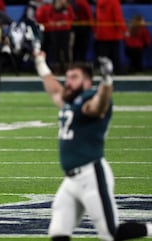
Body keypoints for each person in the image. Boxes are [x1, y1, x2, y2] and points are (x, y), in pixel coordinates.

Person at [33, 46, 152, 240]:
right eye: (68, 77)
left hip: (91, 176)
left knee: (111, 233)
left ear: (87, 82)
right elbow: (54, 89)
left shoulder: (90, 100)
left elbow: (99, 105)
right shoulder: (71, 101)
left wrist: (106, 80)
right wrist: (40, 63)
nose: (68, 82)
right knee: (58, 232)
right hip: (71, 180)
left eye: (74, 77)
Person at [94, 0, 127, 75]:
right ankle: (118, 72)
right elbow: (118, 18)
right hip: (113, 34)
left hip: (101, 33)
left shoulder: (99, 2)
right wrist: (124, 30)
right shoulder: (114, 2)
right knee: (115, 56)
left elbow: (97, 17)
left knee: (103, 56)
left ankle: (103, 72)